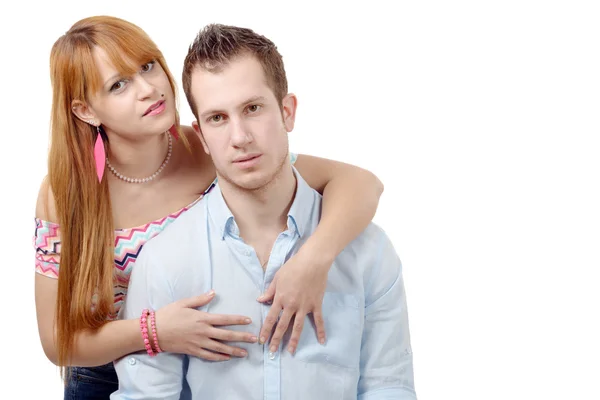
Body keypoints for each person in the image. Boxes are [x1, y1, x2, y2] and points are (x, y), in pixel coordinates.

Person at [33, 16, 385, 399]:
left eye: (147, 66)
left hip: (204, 365)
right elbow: (58, 343)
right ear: (86, 111)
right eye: (119, 85)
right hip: (104, 377)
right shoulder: (67, 192)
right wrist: (155, 332)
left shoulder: (212, 148)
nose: (149, 89)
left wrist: (313, 261)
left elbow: (361, 183)